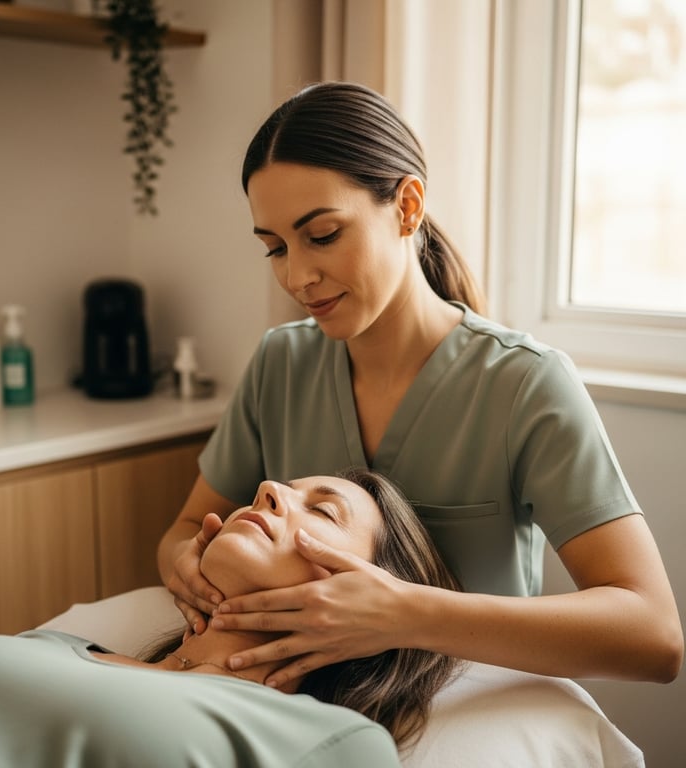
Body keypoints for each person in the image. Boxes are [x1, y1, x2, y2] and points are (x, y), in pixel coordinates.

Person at [157, 81, 683, 692]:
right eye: (274, 248)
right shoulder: (281, 363)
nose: (297, 276)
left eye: (323, 235)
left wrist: (401, 613)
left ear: (407, 207)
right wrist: (186, 567)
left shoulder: (523, 385)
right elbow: (186, 528)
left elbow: (654, 634)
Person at [0, 469, 459, 767]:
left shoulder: (328, 743)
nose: (269, 489)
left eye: (320, 511)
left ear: (368, 591)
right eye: (277, 489)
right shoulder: (55, 644)